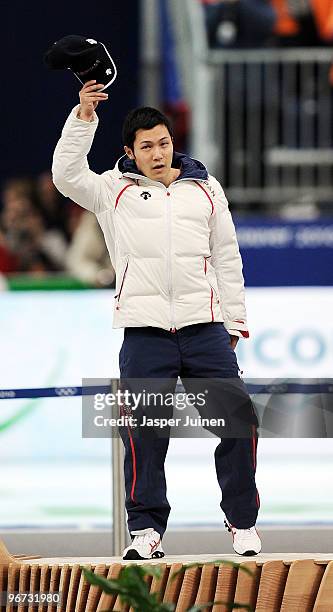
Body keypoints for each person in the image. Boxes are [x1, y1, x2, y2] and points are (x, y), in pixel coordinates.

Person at [52, 80, 261, 560]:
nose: (158, 152)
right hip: (145, 333)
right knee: (145, 434)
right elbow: (65, 175)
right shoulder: (111, 192)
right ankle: (146, 531)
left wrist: (234, 323)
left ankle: (242, 522)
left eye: (164, 142)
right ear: (130, 151)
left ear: (174, 144)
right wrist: (83, 117)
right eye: (146, 146)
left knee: (237, 423)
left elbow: (227, 258)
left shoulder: (206, 189)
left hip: (205, 329)